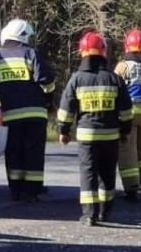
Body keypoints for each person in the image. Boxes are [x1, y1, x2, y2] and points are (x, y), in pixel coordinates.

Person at [0, 19, 55, 202]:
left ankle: (16, 190)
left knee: (14, 152)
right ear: (23, 36)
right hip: (35, 114)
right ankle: (32, 191)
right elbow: (47, 81)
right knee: (33, 153)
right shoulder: (30, 54)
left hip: (11, 115)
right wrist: (49, 100)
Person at [57, 32, 133, 226]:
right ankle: (105, 213)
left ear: (82, 53)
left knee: (88, 173)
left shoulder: (77, 79)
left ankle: (89, 215)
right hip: (110, 136)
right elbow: (126, 111)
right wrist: (124, 131)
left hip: (87, 136)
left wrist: (63, 131)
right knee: (107, 174)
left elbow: (66, 108)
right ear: (103, 53)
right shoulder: (115, 79)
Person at [114, 29, 141, 200]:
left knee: (127, 150)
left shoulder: (123, 66)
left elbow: (116, 85)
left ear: (127, 46)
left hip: (129, 112)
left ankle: (132, 188)